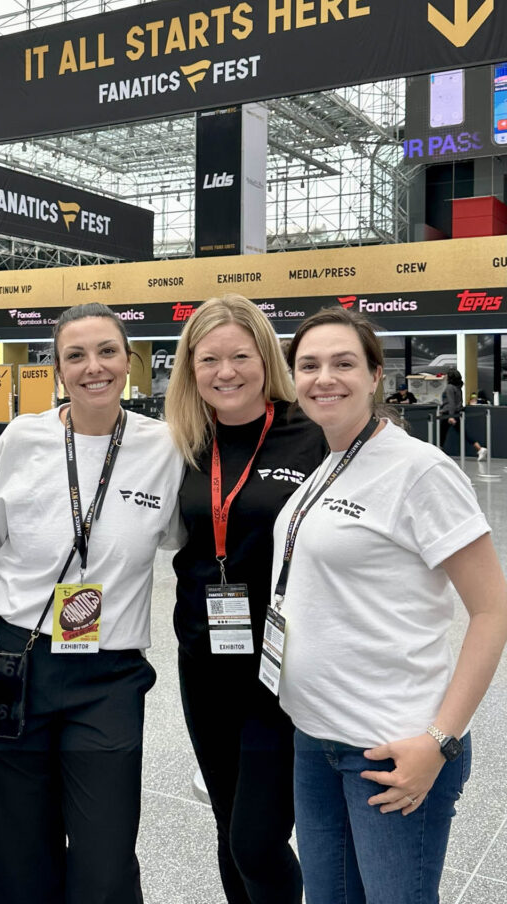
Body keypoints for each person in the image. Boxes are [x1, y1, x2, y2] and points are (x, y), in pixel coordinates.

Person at [271, 306, 507, 904]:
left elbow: (491, 611)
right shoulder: (328, 463)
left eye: (344, 363)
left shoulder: (418, 469)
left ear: (375, 376)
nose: (325, 377)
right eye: (310, 365)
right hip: (316, 738)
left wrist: (439, 741)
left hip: (391, 749)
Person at [0, 301, 185, 904]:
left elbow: (188, 539)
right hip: (15, 660)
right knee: (14, 850)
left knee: (105, 857)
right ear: (58, 370)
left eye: (107, 351)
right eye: (76, 356)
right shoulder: (23, 438)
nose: (94, 367)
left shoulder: (164, 446)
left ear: (130, 361)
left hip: (108, 676)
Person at [164, 295, 327, 904]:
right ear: (191, 367)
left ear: (267, 358)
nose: (225, 371)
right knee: (229, 828)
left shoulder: (309, 432)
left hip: (281, 665)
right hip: (202, 662)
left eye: (240, 355)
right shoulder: (183, 440)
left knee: (258, 838)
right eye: (209, 359)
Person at [439, 368, 487, 460]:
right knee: (463, 433)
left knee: (442, 434)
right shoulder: (458, 387)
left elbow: (451, 402)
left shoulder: (449, 387)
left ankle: (439, 454)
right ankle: (479, 448)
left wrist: (451, 416)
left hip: (448, 413)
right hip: (458, 412)